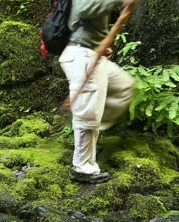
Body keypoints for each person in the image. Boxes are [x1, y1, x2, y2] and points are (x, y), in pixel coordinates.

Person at [59, 0, 137, 184]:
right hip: (81, 58)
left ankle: (90, 127)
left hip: (92, 55)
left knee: (124, 86)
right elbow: (84, 9)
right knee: (88, 116)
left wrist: (99, 45)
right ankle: (82, 168)